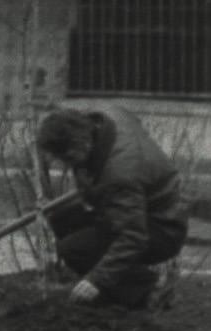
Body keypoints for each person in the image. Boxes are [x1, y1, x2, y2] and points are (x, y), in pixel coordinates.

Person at [36, 106, 188, 309]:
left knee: (72, 250)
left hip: (163, 227)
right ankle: (118, 287)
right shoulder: (107, 119)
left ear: (82, 143)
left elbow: (133, 237)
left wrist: (96, 279)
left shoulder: (119, 175)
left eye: (68, 159)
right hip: (139, 208)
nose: (66, 166)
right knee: (62, 217)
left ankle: (151, 287)